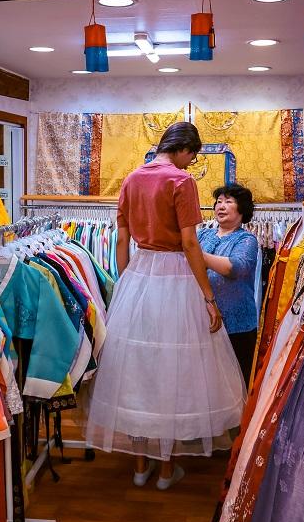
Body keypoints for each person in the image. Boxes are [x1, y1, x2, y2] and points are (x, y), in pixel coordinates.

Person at [84, 122, 246, 491]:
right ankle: (166, 468)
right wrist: (208, 297)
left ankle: (141, 466)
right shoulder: (180, 181)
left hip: (139, 272)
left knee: (140, 370)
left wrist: (126, 284)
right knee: (174, 368)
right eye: (192, 157)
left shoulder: (131, 179)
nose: (191, 165)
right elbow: (190, 243)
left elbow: (122, 239)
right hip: (175, 274)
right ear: (184, 148)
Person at [198, 183, 260, 386]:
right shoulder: (204, 235)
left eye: (228, 201)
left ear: (242, 208)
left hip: (237, 325)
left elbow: (236, 268)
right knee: (208, 382)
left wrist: (196, 256)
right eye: (218, 201)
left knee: (237, 382)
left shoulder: (246, 239)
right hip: (203, 321)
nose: (220, 206)